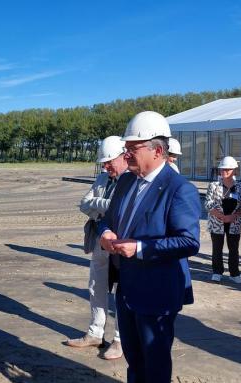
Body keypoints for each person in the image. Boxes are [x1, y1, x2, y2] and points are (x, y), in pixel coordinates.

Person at [98, 111, 200, 383]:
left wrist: (140, 247)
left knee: (154, 364)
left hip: (157, 292)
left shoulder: (179, 189)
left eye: (133, 148)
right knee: (134, 361)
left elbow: (189, 241)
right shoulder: (126, 181)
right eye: (126, 149)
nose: (126, 155)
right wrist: (106, 232)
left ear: (157, 151)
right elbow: (107, 218)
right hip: (127, 288)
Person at [65, 136, 127, 360]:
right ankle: (95, 333)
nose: (106, 166)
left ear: (123, 156)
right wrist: (104, 209)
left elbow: (121, 208)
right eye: (104, 162)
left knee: (123, 291)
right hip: (101, 240)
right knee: (96, 286)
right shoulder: (103, 178)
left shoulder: (130, 179)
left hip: (121, 244)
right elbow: (84, 203)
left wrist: (99, 206)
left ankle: (120, 340)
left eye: (110, 161)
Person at [205, 156, 241, 283]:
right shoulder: (213, 185)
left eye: (228, 169)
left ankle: (234, 273)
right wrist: (221, 216)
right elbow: (208, 204)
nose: (224, 172)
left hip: (234, 222)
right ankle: (217, 271)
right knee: (217, 248)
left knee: (233, 249)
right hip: (217, 222)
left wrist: (233, 216)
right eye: (222, 169)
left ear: (234, 170)